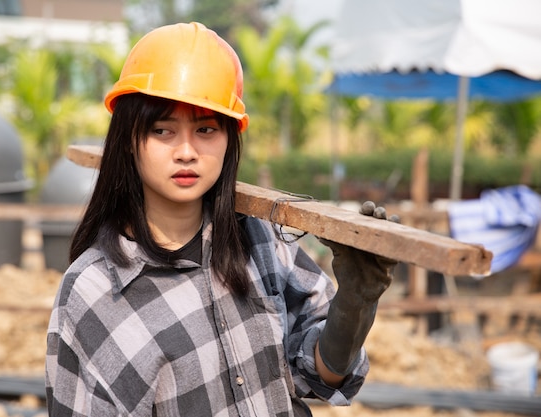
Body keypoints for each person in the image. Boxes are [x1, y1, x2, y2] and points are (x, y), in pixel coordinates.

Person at [45, 22, 397, 417]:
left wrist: (353, 307)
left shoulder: (260, 240)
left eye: (206, 129)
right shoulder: (93, 292)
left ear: (230, 138)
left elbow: (317, 375)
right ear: (129, 138)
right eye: (162, 130)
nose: (186, 151)